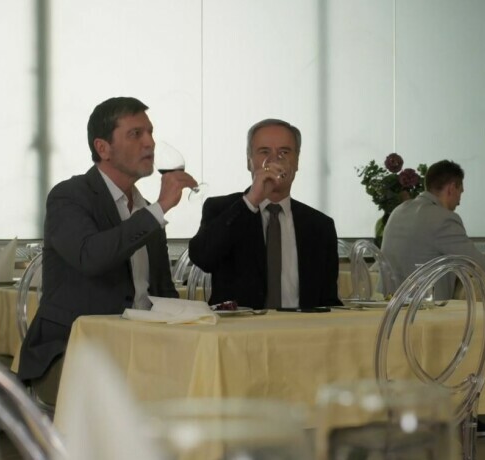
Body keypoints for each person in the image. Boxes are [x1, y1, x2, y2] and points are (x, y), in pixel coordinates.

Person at [17, 97, 197, 402]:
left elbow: (163, 293)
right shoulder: (68, 197)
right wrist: (161, 207)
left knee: (207, 382)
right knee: (137, 395)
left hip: (142, 350)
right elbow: (91, 257)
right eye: (135, 134)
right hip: (73, 353)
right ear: (103, 148)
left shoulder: (145, 210)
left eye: (150, 132)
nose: (149, 143)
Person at [188, 118, 342, 309]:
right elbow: (202, 258)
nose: (275, 160)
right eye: (264, 152)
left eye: (284, 152)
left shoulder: (320, 225)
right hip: (240, 326)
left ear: (297, 161)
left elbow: (328, 300)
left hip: (302, 326)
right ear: (249, 161)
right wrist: (252, 200)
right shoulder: (222, 209)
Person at [382, 159, 485, 300]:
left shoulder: (398, 211)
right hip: (425, 309)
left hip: (388, 306)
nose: (459, 201)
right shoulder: (443, 219)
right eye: (460, 192)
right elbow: (480, 269)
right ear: (451, 188)